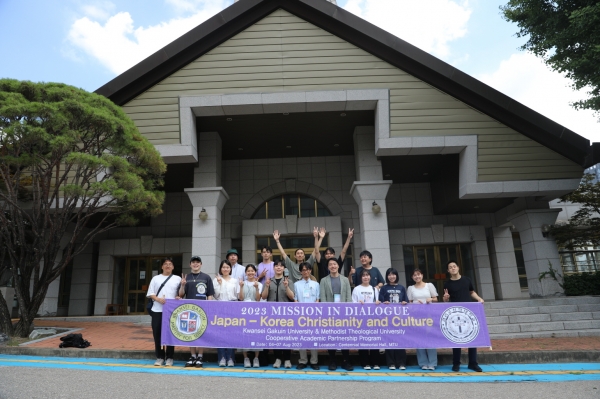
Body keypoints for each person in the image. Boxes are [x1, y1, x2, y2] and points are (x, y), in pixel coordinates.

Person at [443, 260, 484, 373]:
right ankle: (456, 363)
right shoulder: (447, 284)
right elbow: (446, 300)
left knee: (472, 338)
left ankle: (473, 363)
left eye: (454, 266)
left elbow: (471, 292)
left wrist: (479, 298)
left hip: (468, 313)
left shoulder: (467, 280)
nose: (453, 268)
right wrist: (445, 299)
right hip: (455, 314)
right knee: (456, 339)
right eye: (450, 267)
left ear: (458, 267)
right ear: (448, 270)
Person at [178, 255, 214, 368]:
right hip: (189, 310)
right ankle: (192, 356)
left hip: (202, 309)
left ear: (201, 264)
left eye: (197, 262)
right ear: (190, 264)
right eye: (193, 262)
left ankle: (200, 356)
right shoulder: (186, 277)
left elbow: (210, 295)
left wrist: (209, 308)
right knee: (191, 332)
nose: (195, 264)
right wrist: (182, 285)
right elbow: (180, 295)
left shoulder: (206, 277)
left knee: (201, 332)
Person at [319, 257, 354, 371]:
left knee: (344, 337)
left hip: (343, 314)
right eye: (330, 264)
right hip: (330, 314)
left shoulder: (344, 280)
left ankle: (346, 361)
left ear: (338, 266)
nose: (333, 266)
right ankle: (332, 360)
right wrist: (326, 313)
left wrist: (348, 312)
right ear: (328, 267)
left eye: (335, 264)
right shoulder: (324, 280)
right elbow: (323, 298)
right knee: (331, 337)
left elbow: (348, 297)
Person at [146, 257, 181, 367]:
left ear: (173, 267)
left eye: (170, 264)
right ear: (162, 266)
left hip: (172, 311)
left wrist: (178, 297)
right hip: (157, 310)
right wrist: (157, 299)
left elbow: (180, 293)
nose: (168, 266)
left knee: (170, 334)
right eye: (165, 264)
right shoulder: (156, 278)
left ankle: (170, 357)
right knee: (157, 334)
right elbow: (151, 293)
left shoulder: (177, 279)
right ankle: (160, 357)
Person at [261, 260, 295, 368]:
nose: (278, 268)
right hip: (272, 314)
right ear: (274, 268)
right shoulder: (268, 281)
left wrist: (286, 287)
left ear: (284, 269)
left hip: (285, 314)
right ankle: (277, 359)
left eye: (281, 266)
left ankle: (287, 359)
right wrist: (266, 286)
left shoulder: (289, 281)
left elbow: (292, 297)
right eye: (276, 266)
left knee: (286, 337)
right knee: (275, 337)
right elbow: (264, 297)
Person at [407, 268, 438, 370]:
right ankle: (423, 363)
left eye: (418, 274)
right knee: (419, 339)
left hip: (429, 315)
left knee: (430, 338)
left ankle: (432, 363)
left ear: (422, 275)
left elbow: (436, 299)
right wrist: (416, 304)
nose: (417, 276)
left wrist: (430, 299)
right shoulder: (411, 288)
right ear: (412, 277)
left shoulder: (429, 285)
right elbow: (409, 303)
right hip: (417, 316)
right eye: (414, 275)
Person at [379, 268, 408, 370]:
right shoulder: (383, 288)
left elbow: (406, 301)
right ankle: (391, 363)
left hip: (399, 319)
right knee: (389, 340)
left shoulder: (401, 288)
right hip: (387, 319)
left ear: (396, 276)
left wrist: (405, 303)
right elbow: (380, 302)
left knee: (400, 340)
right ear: (387, 276)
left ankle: (401, 363)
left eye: (393, 274)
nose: (392, 277)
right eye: (389, 275)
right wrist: (384, 303)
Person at [293, 261, 320, 370]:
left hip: (313, 315)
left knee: (313, 338)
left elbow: (318, 299)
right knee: (302, 338)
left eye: (307, 269)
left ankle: (314, 361)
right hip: (301, 315)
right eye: (303, 270)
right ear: (300, 272)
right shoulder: (296, 284)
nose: (306, 271)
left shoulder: (316, 284)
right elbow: (295, 299)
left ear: (310, 271)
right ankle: (303, 361)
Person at [352, 269, 381, 370]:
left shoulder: (374, 289)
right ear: (361, 278)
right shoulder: (356, 289)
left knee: (373, 340)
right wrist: (358, 303)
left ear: (370, 277)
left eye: (367, 275)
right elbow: (352, 303)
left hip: (372, 318)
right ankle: (365, 363)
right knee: (363, 340)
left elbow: (378, 302)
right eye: (363, 275)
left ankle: (375, 362)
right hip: (361, 318)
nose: (365, 277)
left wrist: (378, 302)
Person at [213, 260, 239, 367]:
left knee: (231, 334)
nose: (225, 269)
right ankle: (222, 358)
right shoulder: (216, 280)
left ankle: (231, 358)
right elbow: (216, 295)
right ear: (220, 269)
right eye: (223, 267)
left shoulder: (235, 280)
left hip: (232, 306)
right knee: (221, 334)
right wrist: (219, 284)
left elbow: (237, 295)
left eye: (227, 267)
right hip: (220, 306)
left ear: (230, 269)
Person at [238, 264, 263, 368]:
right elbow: (241, 298)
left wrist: (257, 288)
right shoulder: (242, 283)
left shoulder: (259, 284)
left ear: (255, 272)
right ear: (245, 273)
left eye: (252, 271)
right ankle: (246, 358)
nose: (250, 273)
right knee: (244, 335)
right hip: (244, 313)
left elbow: (258, 299)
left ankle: (256, 358)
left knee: (256, 335)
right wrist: (241, 287)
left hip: (256, 313)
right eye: (248, 271)